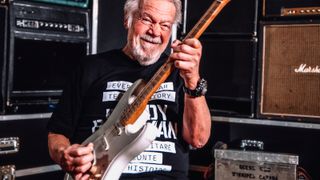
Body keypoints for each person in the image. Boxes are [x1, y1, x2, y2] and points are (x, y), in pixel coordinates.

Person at [47, 0, 211, 179]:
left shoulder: (180, 73)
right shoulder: (91, 67)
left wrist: (193, 81)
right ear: (128, 19)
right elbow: (57, 134)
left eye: (165, 25)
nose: (155, 32)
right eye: (147, 20)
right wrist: (66, 154)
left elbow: (198, 139)